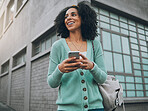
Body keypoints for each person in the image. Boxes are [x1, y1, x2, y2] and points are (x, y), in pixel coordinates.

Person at [47, 1, 107, 111]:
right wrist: (60, 69)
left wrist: (92, 67)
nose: (68, 18)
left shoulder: (95, 44)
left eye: (73, 15)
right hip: (67, 109)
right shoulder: (58, 46)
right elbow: (51, 82)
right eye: (66, 16)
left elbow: (103, 78)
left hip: (96, 108)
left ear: (83, 18)